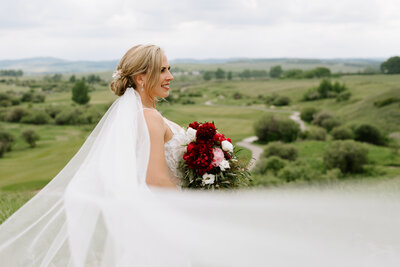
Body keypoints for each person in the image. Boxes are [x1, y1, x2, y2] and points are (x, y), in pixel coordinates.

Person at [0, 44, 399, 266]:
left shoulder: (147, 115)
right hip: (168, 217)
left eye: (171, 68)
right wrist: (202, 205)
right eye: (164, 70)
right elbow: (154, 180)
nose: (171, 76)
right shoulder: (149, 119)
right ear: (142, 78)